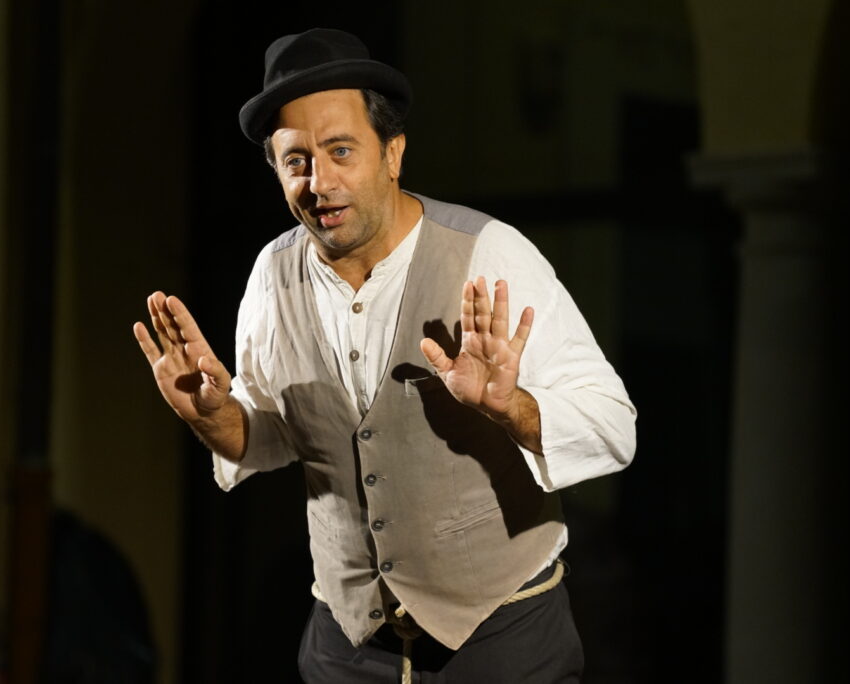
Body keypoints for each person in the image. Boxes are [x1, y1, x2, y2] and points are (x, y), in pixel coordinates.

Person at [134, 28, 636, 684]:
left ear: (392, 153)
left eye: (341, 151)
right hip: (347, 647)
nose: (319, 183)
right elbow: (271, 436)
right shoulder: (273, 276)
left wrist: (511, 407)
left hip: (501, 640)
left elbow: (613, 427)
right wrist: (212, 415)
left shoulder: (487, 253)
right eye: (296, 160)